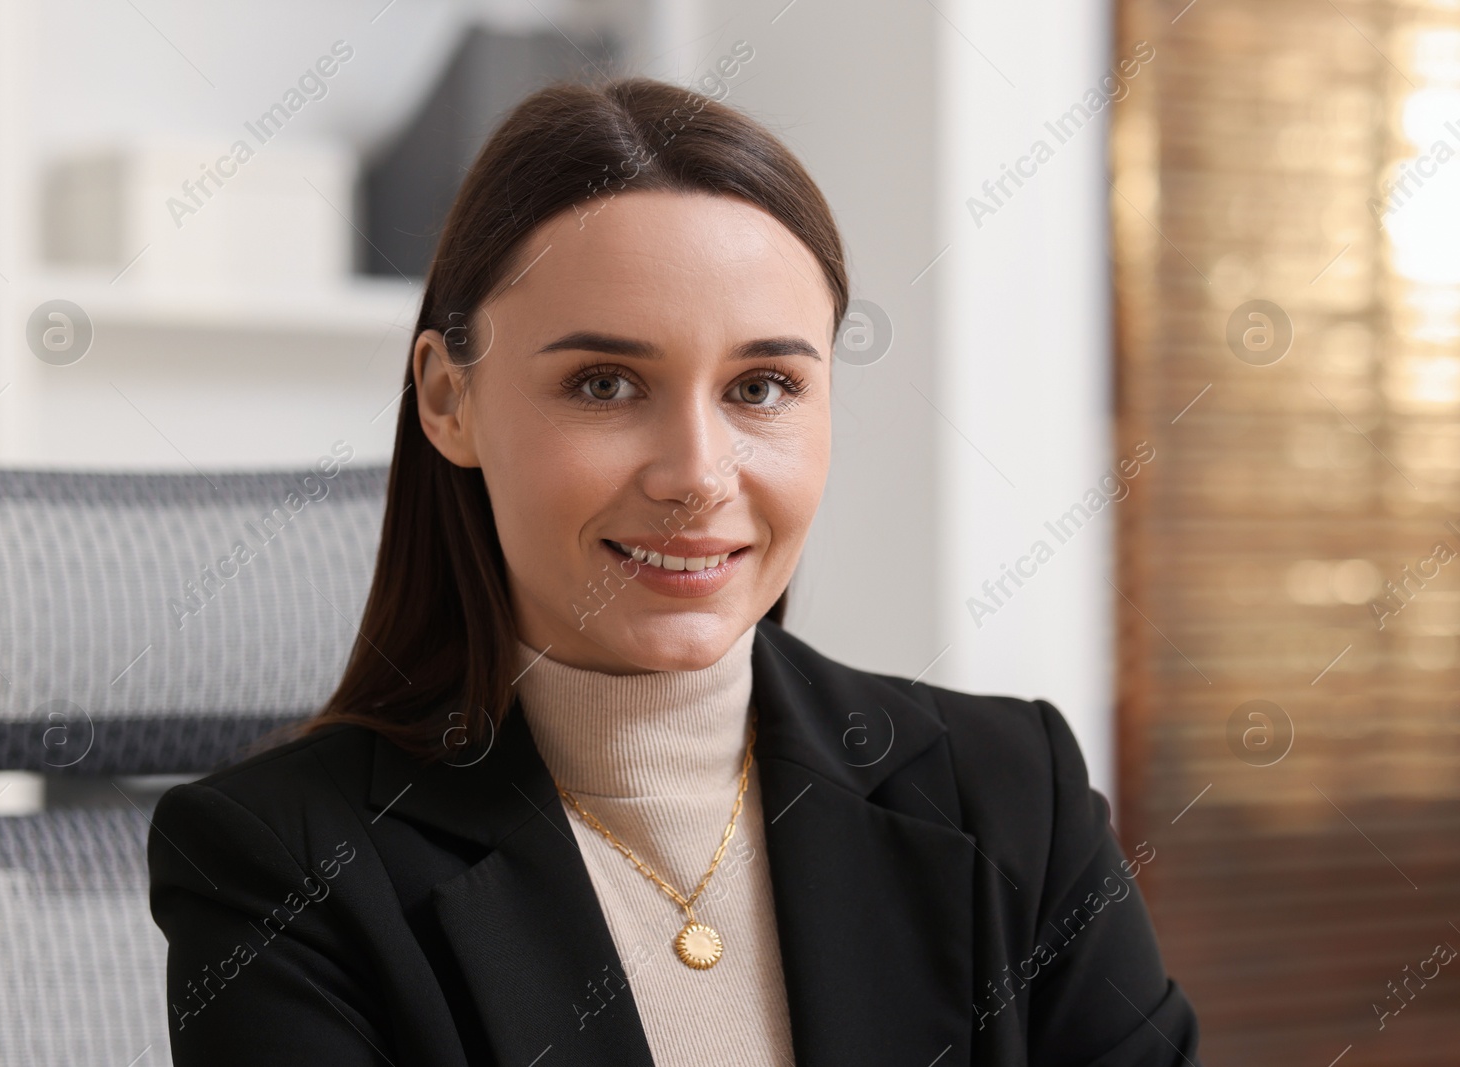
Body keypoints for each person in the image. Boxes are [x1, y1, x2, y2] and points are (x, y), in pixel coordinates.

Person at [147, 75, 1201, 1066]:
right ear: (446, 399)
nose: (698, 474)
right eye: (605, 383)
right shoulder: (281, 866)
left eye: (762, 386)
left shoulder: (1012, 791)